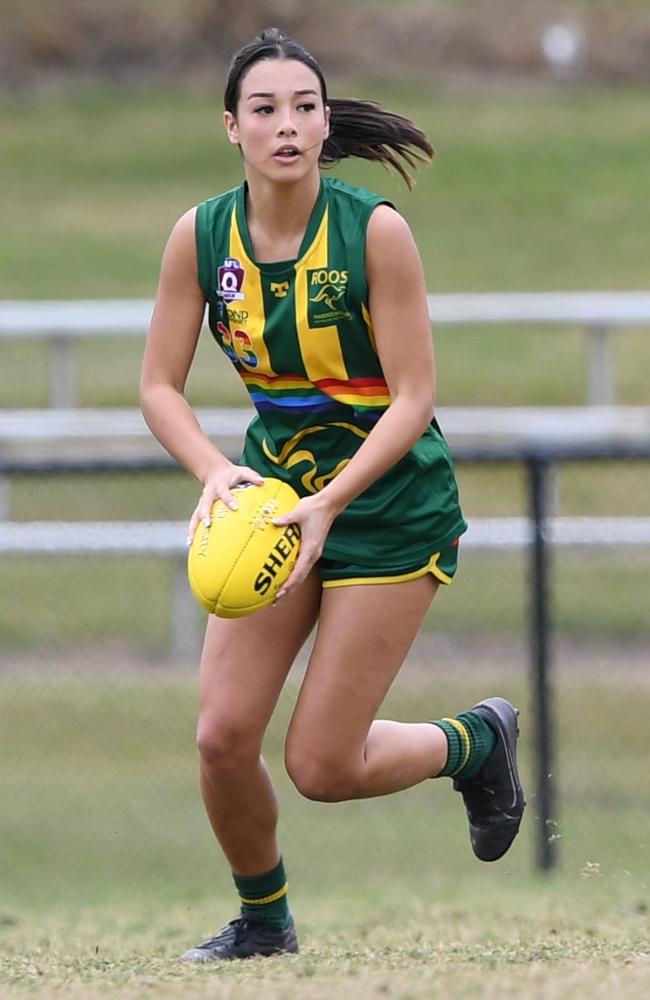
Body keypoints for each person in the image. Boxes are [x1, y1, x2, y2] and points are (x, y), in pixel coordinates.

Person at [140, 27, 525, 962]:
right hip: (276, 501)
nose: (287, 126)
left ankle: (473, 743)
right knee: (223, 738)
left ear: (323, 124)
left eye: (304, 108)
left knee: (321, 766)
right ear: (231, 126)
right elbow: (159, 387)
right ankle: (264, 924)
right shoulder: (202, 236)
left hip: (388, 507)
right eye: (265, 110)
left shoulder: (374, 232)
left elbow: (416, 400)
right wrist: (215, 472)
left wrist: (331, 504)